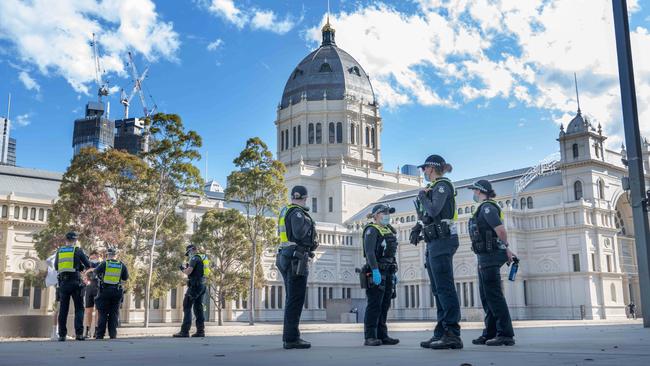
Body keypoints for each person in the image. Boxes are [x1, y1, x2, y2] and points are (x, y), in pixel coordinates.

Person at [413, 155, 463, 350]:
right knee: (438, 289)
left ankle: (452, 333)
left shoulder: (442, 185)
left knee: (444, 287)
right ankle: (441, 332)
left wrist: (423, 197)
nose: (424, 172)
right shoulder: (434, 188)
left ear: (431, 168)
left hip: (443, 241)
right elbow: (428, 216)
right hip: (435, 240)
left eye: (425, 169)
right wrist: (418, 226)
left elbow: (434, 210)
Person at [467, 180, 516, 346]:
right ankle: (490, 332)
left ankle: (505, 334)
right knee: (487, 296)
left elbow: (500, 230)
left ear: (480, 191)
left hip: (490, 255)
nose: (473, 194)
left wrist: (507, 248)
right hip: (484, 256)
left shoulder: (488, 207)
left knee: (494, 296)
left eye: (474, 191)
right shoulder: (483, 208)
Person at [276, 185, 318, 349]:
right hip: (296, 257)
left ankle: (290, 336)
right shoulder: (298, 213)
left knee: (291, 298)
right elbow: (300, 234)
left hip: (286, 255)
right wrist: (310, 225)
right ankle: (291, 338)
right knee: (295, 299)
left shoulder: (286, 210)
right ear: (305, 197)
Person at [362, 204, 400, 346]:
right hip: (376, 271)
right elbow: (370, 252)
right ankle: (370, 336)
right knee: (374, 305)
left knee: (385, 304)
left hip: (389, 271)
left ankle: (382, 335)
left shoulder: (388, 230)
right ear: (376, 215)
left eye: (388, 213)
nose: (387, 215)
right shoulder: (371, 230)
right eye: (384, 212)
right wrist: (375, 270)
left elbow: (391, 253)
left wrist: (394, 272)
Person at [54, 231, 91, 341]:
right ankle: (79, 334)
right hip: (75, 282)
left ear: (66, 240)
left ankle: (62, 335)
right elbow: (88, 265)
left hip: (63, 283)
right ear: (75, 240)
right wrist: (80, 267)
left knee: (63, 310)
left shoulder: (59, 251)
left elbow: (56, 266)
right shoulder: (77, 250)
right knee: (79, 308)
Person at [173, 244, 209, 338]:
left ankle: (184, 331)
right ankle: (200, 331)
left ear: (192, 250)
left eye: (188, 253)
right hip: (202, 285)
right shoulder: (203, 257)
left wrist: (182, 269)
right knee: (198, 308)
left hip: (195, 286)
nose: (188, 255)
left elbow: (188, 271)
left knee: (187, 305)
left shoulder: (195, 258)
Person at [94, 247, 129, 339]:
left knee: (103, 313)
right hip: (116, 291)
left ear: (108, 255)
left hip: (105, 291)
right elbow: (125, 278)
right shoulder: (122, 265)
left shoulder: (104, 264)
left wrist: (101, 277)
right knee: (114, 313)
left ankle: (100, 335)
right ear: (116, 255)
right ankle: (113, 334)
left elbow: (95, 271)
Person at [83, 250, 101, 338]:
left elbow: (99, 272)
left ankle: (97, 331)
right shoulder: (87, 265)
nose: (91, 260)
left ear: (97, 257)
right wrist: (85, 275)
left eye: (93, 258)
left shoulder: (101, 264)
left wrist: (91, 269)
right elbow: (83, 275)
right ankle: (87, 330)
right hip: (89, 289)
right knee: (88, 311)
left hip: (98, 288)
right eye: (90, 258)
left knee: (98, 311)